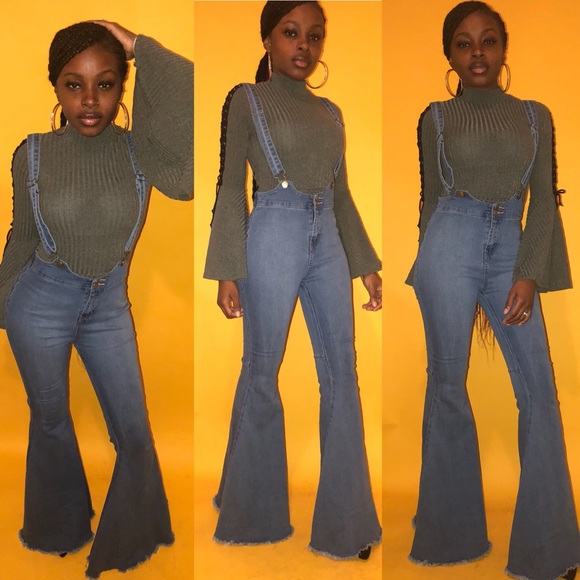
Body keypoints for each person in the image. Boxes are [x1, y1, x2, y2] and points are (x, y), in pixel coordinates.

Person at [0, 20, 193, 579]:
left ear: (122, 87)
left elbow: (187, 178)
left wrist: (140, 47)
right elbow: (20, 236)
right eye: (74, 84)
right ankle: (58, 528)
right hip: (39, 302)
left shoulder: (142, 152)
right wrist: (4, 305)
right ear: (56, 88)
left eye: (105, 84)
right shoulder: (32, 154)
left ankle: (133, 535)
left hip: (108, 307)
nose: (89, 100)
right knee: (50, 421)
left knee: (134, 432)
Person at [406, 2, 580, 579]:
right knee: (446, 386)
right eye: (464, 43)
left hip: (511, 246)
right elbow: (431, 201)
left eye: (488, 41)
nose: (477, 52)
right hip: (448, 247)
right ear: (450, 55)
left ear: (504, 48)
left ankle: (549, 551)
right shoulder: (435, 117)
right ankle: (449, 538)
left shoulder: (536, 116)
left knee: (539, 392)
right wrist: (431, 271)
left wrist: (528, 272)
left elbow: (545, 201)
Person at [204, 0, 381, 561]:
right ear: (267, 40)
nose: (304, 45)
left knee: (342, 373)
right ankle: (251, 515)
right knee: (261, 369)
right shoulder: (246, 99)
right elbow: (230, 186)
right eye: (290, 33)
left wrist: (365, 263)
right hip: (272, 232)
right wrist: (227, 268)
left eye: (314, 35)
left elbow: (343, 194)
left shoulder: (332, 113)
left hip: (328, 237)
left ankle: (346, 525)